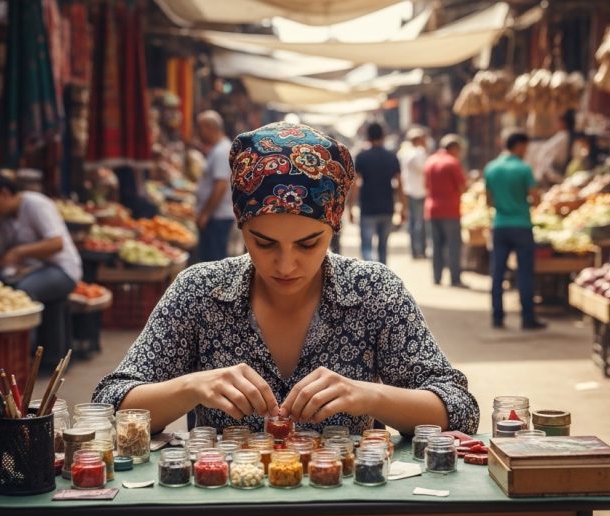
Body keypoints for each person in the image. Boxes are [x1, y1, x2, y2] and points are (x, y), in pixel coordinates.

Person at [92, 122, 479, 436]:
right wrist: (191, 387)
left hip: (346, 501)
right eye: (264, 243)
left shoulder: (373, 291)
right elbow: (107, 405)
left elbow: (460, 408)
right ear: (241, 227)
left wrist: (371, 396)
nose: (286, 264)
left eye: (309, 244)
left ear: (334, 227)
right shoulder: (199, 291)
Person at [0, 173, 82, 361]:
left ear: (4, 193)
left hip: (62, 271)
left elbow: (56, 243)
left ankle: (25, 355)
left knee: (24, 291)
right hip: (34, 271)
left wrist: (19, 252)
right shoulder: (6, 219)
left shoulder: (35, 204)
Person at [485, 132, 546, 330]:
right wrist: (522, 203)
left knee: (497, 273)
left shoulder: (491, 168)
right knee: (525, 273)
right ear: (519, 145)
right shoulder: (523, 169)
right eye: (525, 147)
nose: (526, 151)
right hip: (521, 225)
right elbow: (536, 198)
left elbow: (488, 200)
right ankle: (527, 318)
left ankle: (497, 316)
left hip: (500, 225)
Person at [348, 122, 405, 264]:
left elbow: (355, 184)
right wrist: (403, 207)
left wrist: (351, 206)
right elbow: (399, 183)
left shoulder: (362, 156)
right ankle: (382, 274)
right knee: (383, 248)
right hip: (387, 207)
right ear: (383, 136)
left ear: (367, 136)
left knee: (367, 246)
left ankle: (368, 274)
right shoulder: (391, 157)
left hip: (367, 208)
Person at [424, 134, 468, 287]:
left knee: (436, 245)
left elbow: (426, 185)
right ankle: (455, 278)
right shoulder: (452, 163)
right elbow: (462, 187)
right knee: (453, 246)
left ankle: (437, 277)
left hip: (432, 209)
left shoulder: (430, 161)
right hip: (450, 210)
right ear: (454, 148)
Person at [194, 110, 235, 262]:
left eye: (199, 128)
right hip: (217, 216)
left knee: (213, 260)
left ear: (210, 128)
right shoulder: (220, 149)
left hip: (217, 218)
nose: (198, 133)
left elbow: (220, 186)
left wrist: (205, 214)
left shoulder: (221, 151)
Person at [398, 128, 429, 259]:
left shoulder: (405, 153)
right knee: (419, 223)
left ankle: (415, 250)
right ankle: (419, 249)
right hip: (419, 191)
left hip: (409, 190)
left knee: (413, 222)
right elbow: (424, 170)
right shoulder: (418, 153)